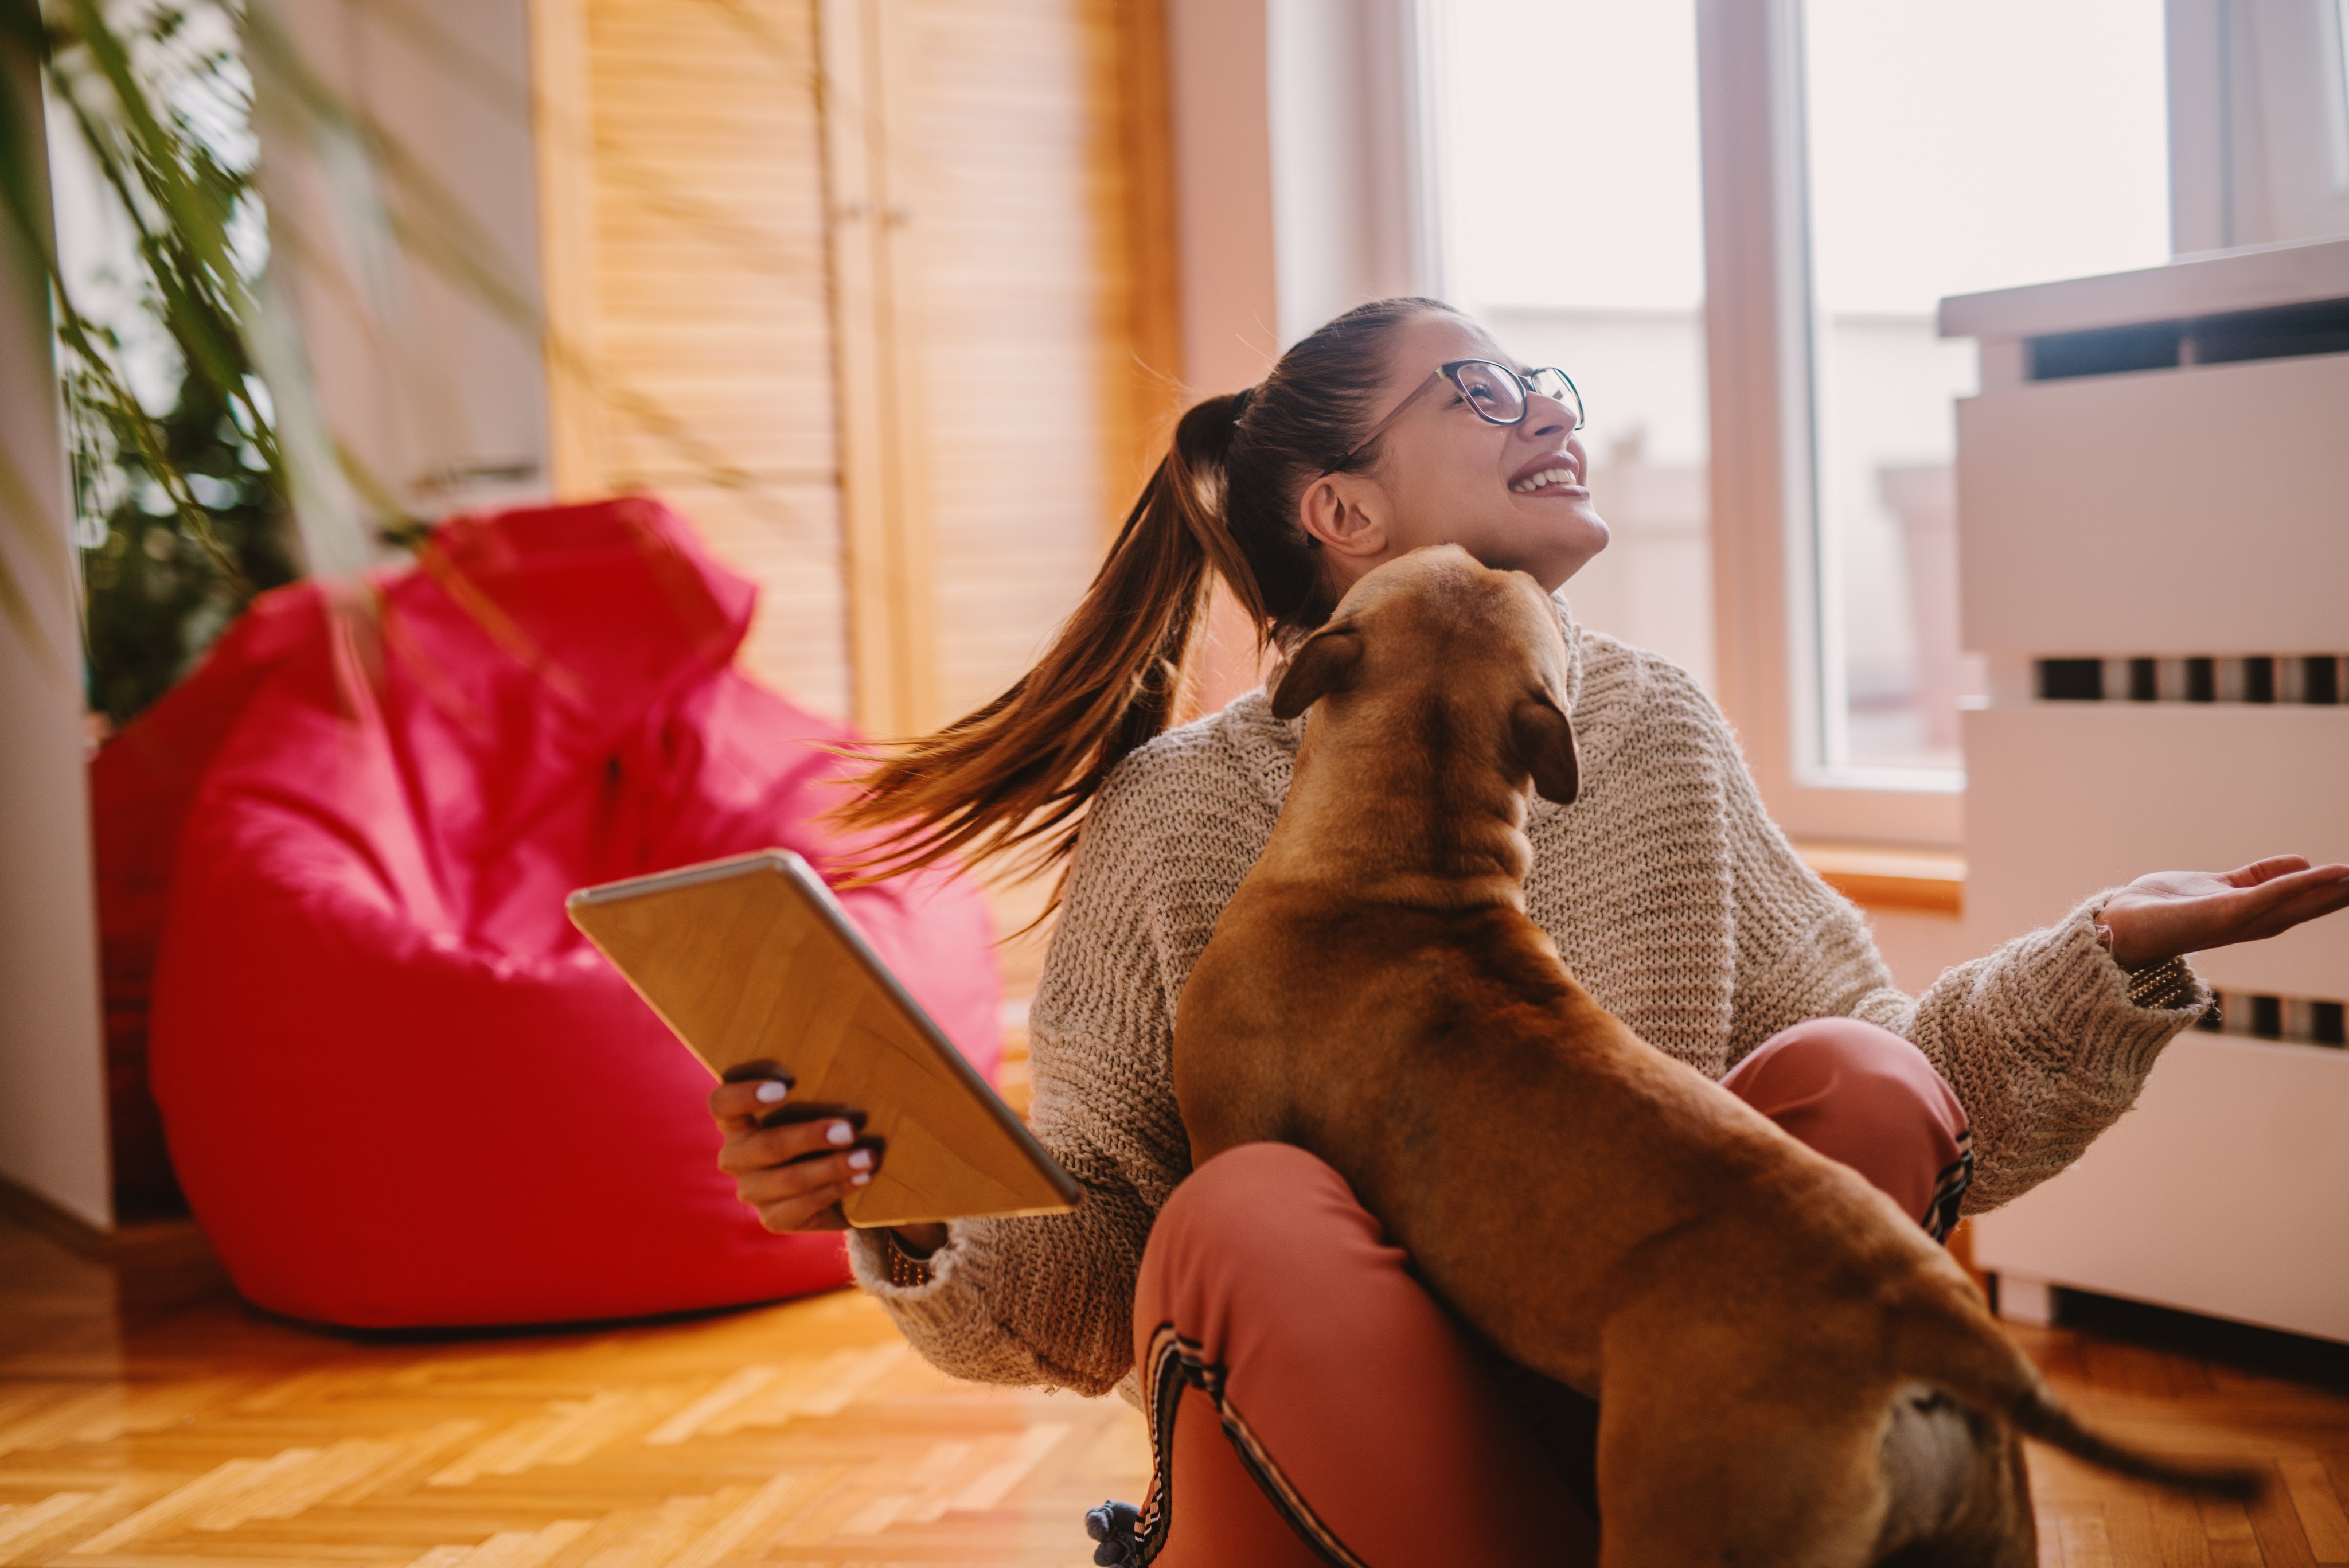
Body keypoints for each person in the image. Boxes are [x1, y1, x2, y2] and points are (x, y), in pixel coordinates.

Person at [707, 298, 2349, 1566]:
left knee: (1846, 1073)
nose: (1546, 410)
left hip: (1688, 1436)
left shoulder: (1655, 730)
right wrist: (910, 1202)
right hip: (1344, 1455)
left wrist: (2109, 954)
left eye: (1541, 382)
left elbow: (1903, 1099)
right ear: (1340, 512)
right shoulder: (1180, 812)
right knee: (1246, 1211)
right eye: (1479, 391)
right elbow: (1112, 1272)